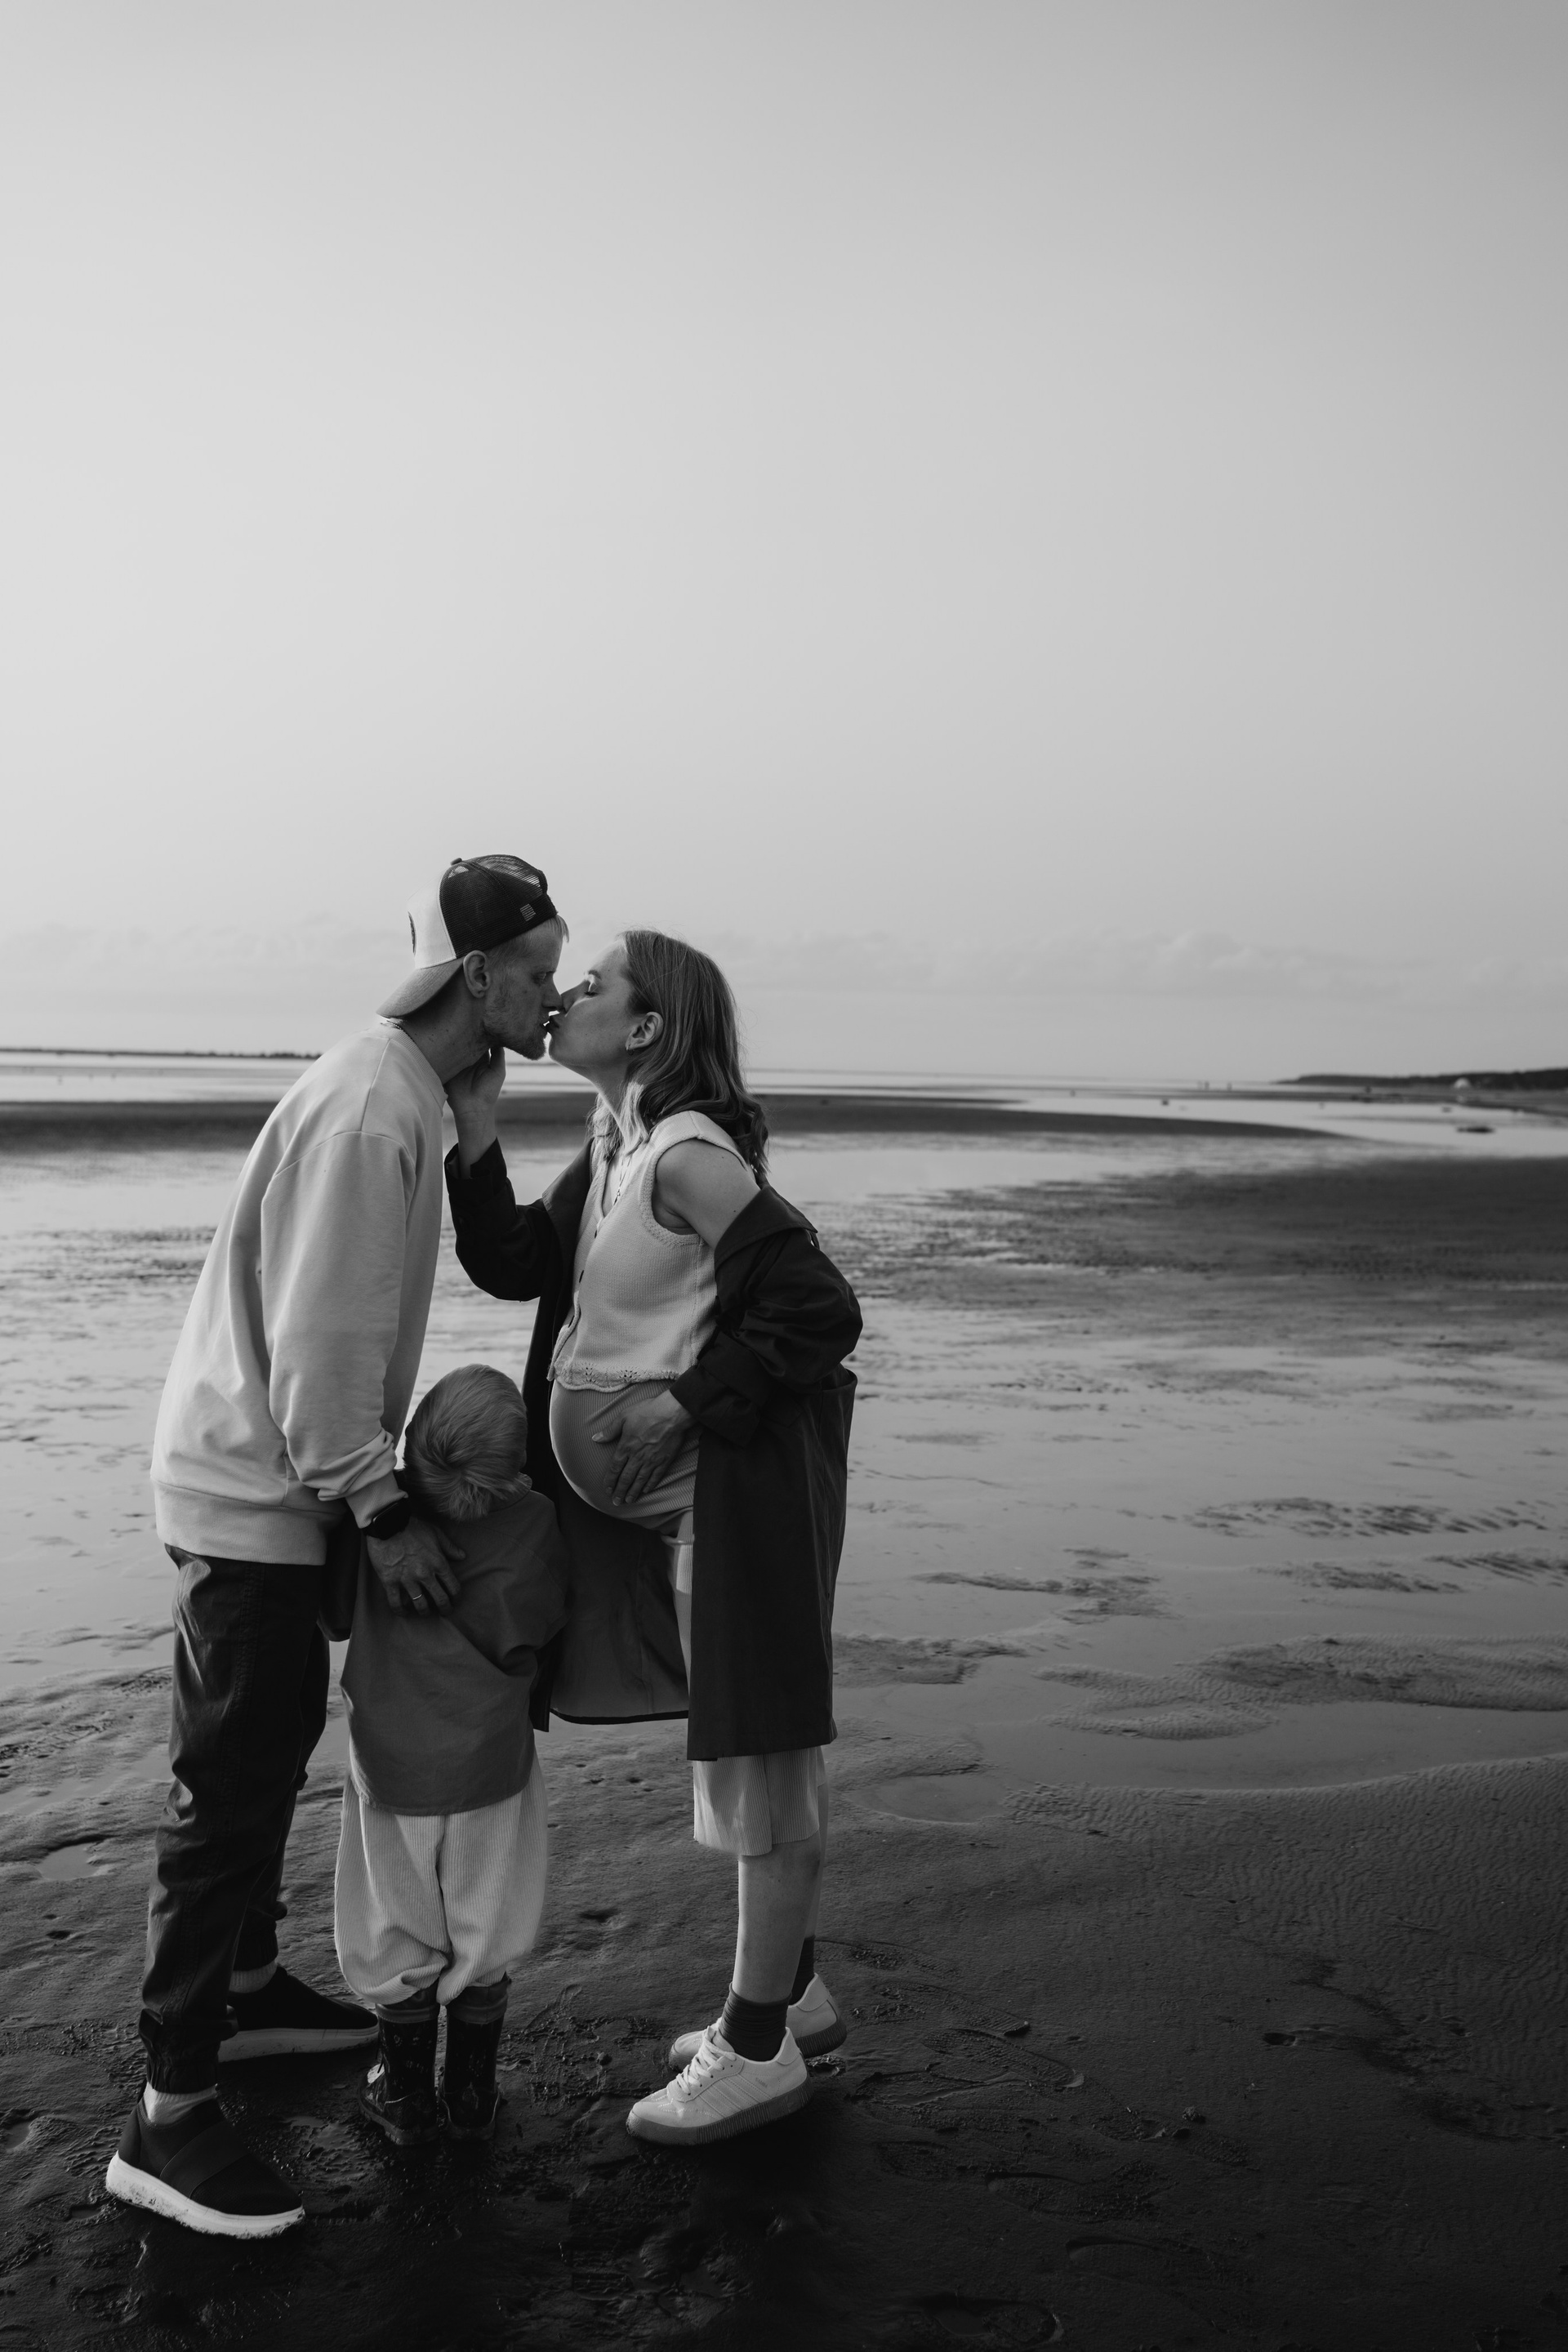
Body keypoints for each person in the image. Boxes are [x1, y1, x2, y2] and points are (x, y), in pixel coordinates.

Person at [105, 856, 567, 2240]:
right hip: (257, 1490)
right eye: (539, 972)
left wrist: (481, 1129)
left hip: (266, 1482)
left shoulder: (406, 1092)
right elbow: (321, 1354)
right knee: (230, 1787)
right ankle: (170, 2113)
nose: (554, 996)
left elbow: (471, 1273)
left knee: (264, 1751)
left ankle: (246, 1993)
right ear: (475, 976)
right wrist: (382, 1507)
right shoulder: (373, 1112)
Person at [445, 929, 861, 2148]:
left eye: (594, 981)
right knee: (742, 1748)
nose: (566, 992)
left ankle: (757, 2047)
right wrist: (476, 1123)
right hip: (684, 1501)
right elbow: (513, 1262)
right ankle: (796, 1992)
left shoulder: (684, 1155)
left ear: (643, 1030)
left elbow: (818, 1305)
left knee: (759, 1754)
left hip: (735, 1490)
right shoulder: (616, 1143)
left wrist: (681, 1404)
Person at [335, 1363, 568, 2146]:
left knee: (392, 1921)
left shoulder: (378, 1521)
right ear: (514, 1464)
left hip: (389, 1765)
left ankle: (403, 2094)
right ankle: (471, 2093)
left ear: (412, 1436)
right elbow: (543, 1622)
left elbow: (334, 1615)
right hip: (492, 1763)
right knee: (488, 1921)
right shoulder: (535, 1521)